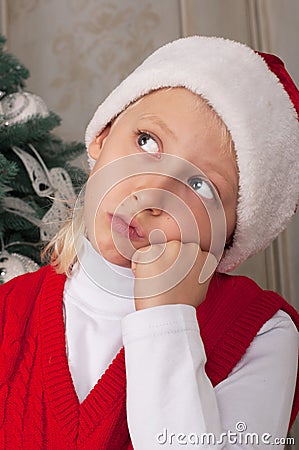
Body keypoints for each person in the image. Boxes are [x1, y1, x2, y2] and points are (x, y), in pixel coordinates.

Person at [0, 36, 298, 449]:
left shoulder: (263, 333)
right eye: (146, 141)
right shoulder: (8, 313)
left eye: (201, 186)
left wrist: (166, 316)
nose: (153, 193)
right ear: (102, 138)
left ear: (230, 237)